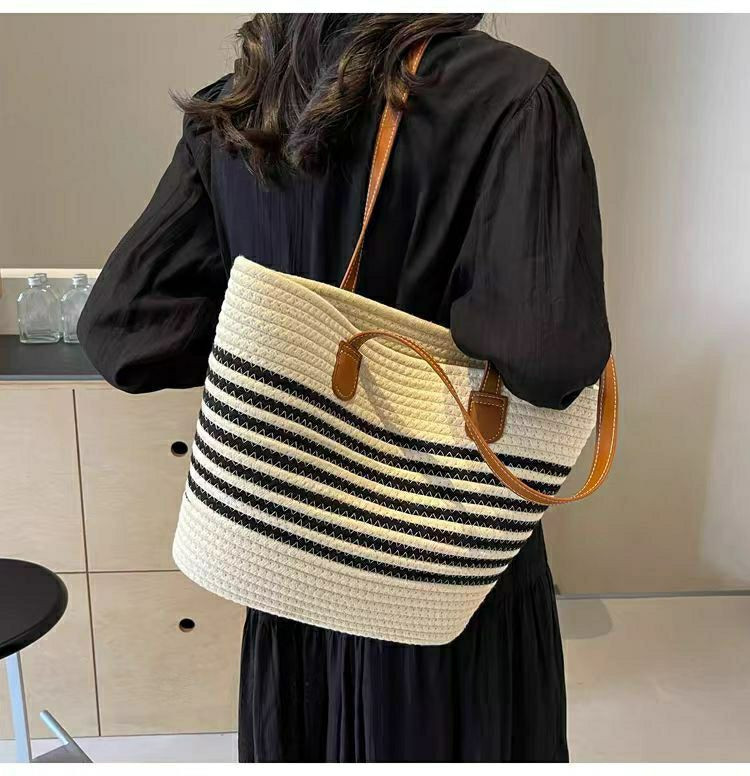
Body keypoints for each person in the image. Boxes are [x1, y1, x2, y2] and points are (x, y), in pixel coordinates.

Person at [78, 13, 610, 763]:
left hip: (292, 560)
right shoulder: (514, 96)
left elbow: (121, 330)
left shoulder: (236, 105)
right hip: (446, 566)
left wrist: (282, 334)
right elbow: (547, 359)